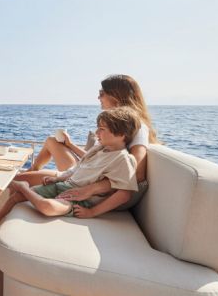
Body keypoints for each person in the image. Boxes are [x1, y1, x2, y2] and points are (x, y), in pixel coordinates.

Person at [16, 74, 157, 211]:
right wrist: (70, 145)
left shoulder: (136, 127)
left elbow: (136, 174)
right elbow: (96, 159)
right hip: (84, 171)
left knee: (16, 180)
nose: (98, 97)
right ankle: (33, 170)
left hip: (87, 182)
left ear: (117, 96)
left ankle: (27, 181)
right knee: (52, 141)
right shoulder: (113, 124)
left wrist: (91, 189)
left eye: (102, 93)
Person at [0, 107, 140, 222]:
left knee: (47, 207)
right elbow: (79, 167)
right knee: (16, 197)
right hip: (64, 184)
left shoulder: (123, 159)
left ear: (121, 134)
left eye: (102, 129)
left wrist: (92, 212)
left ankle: (23, 187)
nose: (97, 133)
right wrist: (58, 179)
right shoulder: (100, 149)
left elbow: (124, 194)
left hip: (79, 200)